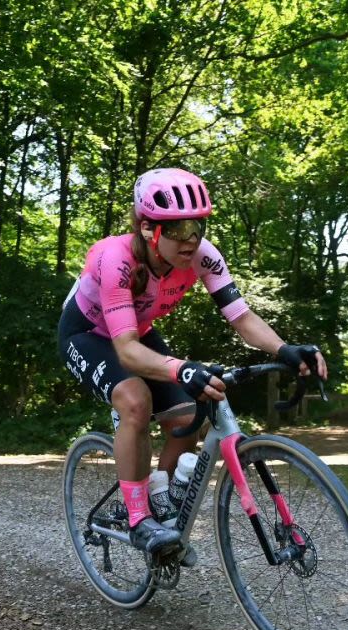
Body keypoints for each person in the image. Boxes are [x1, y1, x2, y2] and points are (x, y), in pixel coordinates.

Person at [57, 168, 326, 556]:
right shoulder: (116, 259)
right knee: (135, 402)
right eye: (179, 228)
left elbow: (242, 317)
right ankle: (138, 519)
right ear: (150, 229)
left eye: (197, 226)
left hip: (136, 330)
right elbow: (127, 350)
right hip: (88, 334)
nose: (192, 239)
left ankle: (159, 499)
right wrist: (181, 367)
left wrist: (285, 349)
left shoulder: (203, 256)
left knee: (187, 419)